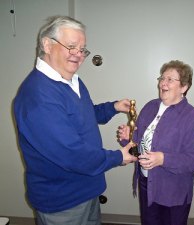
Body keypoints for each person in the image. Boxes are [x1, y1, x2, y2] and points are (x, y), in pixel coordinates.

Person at [13, 16, 137, 225]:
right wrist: (117, 157)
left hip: (87, 189)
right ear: (47, 45)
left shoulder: (72, 81)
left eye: (82, 49)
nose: (78, 55)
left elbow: (84, 115)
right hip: (63, 202)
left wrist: (113, 107)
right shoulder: (37, 96)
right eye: (71, 47)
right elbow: (71, 153)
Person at [118, 60, 194, 225]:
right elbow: (138, 146)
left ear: (184, 87)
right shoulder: (150, 106)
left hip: (173, 190)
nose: (163, 83)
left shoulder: (192, 117)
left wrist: (162, 159)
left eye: (170, 79)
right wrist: (127, 139)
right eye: (162, 78)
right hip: (147, 183)